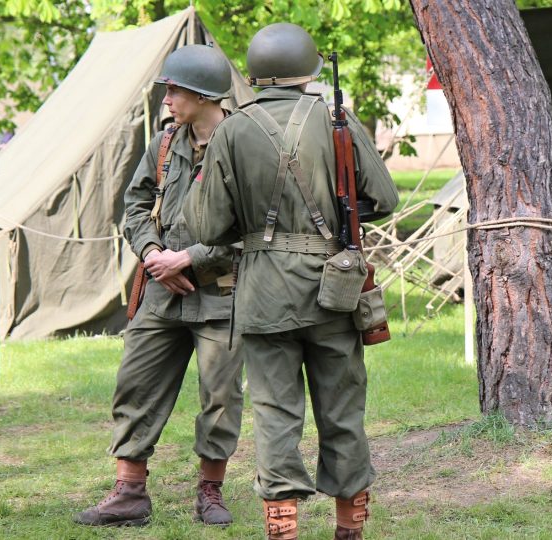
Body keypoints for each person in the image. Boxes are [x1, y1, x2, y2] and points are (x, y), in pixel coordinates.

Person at [183, 23, 399, 540]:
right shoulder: (336, 119)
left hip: (263, 296)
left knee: (276, 418)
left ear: (256, 74)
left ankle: (283, 531)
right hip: (334, 291)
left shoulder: (231, 130)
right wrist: (339, 211)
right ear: (308, 70)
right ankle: (349, 529)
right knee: (343, 413)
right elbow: (385, 199)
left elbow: (206, 227)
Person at [74, 44, 244, 528]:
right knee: (135, 385)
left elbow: (261, 225)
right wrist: (152, 255)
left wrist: (189, 257)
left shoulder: (244, 143)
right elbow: (135, 203)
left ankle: (210, 492)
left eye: (174, 89)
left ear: (203, 93)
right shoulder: (166, 142)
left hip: (222, 295)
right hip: (161, 293)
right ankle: (129, 492)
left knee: (221, 397)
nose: (166, 99)